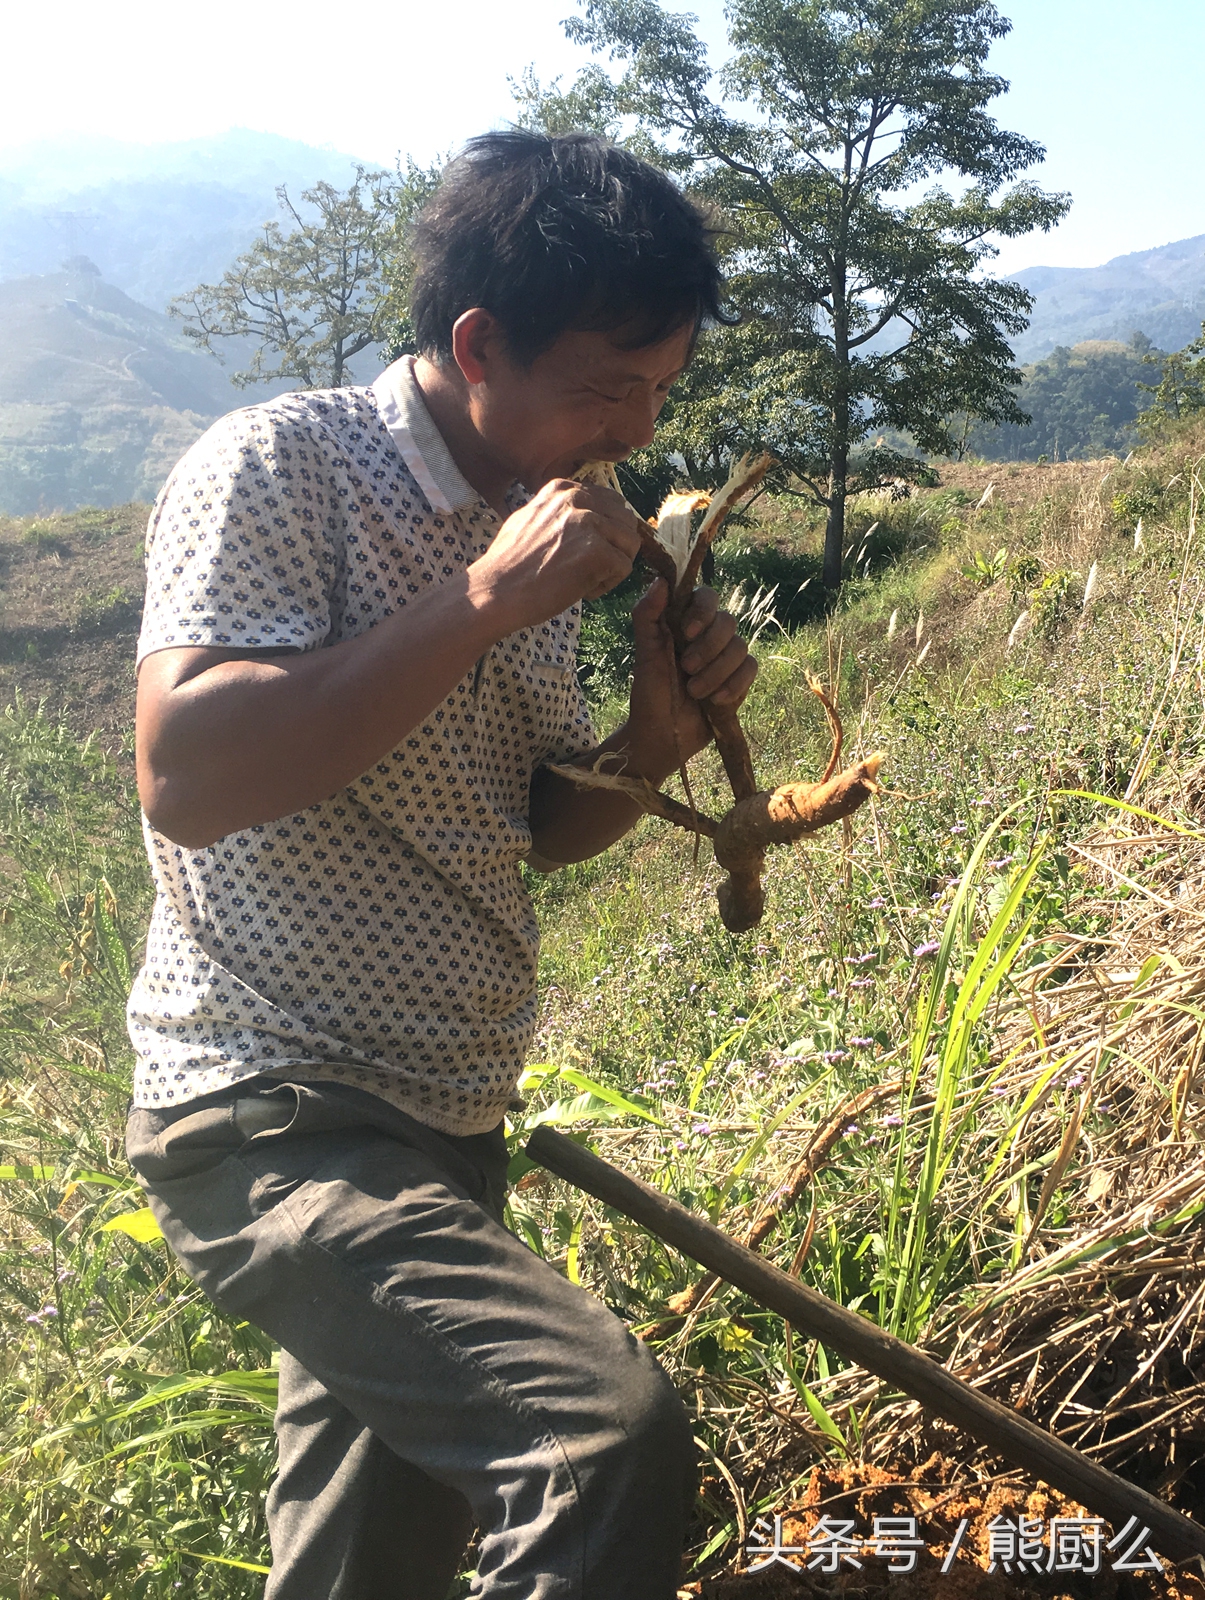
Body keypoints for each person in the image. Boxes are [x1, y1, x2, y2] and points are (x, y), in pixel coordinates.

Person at [124, 130, 757, 1599]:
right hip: (277, 1114)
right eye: (604, 388)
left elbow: (533, 830)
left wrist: (652, 742)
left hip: (443, 1125)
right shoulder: (285, 463)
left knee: (369, 1569)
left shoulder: (536, 538)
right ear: (478, 344)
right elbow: (189, 775)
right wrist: (484, 598)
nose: (629, 432)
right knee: (595, 1443)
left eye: (654, 395)